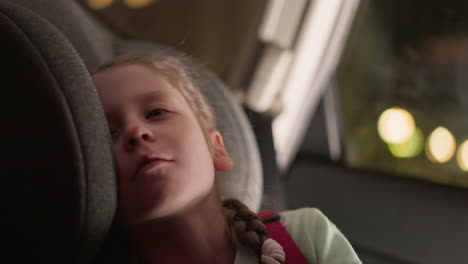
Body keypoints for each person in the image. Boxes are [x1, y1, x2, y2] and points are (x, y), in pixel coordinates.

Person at [91, 54, 362, 264]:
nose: (136, 132)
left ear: (216, 148)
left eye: (156, 113)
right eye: (108, 134)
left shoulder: (304, 235)